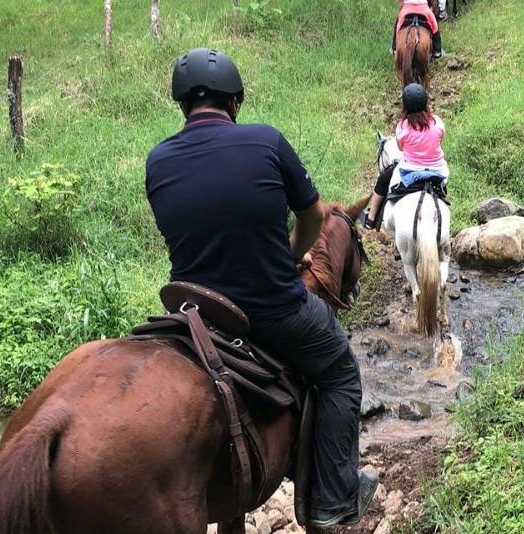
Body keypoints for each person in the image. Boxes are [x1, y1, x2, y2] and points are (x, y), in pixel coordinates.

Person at [145, 48, 377, 529]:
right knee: (340, 374)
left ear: (183, 105)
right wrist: (294, 256)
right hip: (272, 308)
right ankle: (334, 498)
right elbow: (313, 216)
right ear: (235, 103)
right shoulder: (267, 142)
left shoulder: (158, 161)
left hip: (195, 313)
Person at [365, 83, 448, 229]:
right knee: (442, 188)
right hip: (437, 170)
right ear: (425, 102)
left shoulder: (403, 126)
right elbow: (441, 139)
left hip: (410, 170)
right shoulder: (437, 122)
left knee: (383, 180)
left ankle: (371, 218)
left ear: (405, 106)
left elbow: (400, 148)